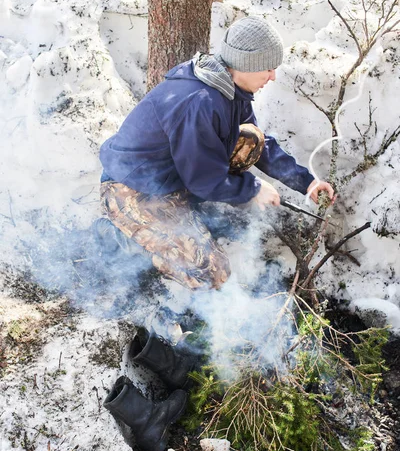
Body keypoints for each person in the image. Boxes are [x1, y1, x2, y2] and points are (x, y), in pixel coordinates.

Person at [98, 16, 334, 291]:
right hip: (133, 190)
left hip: (173, 176)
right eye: (268, 68)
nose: (273, 76)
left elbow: (263, 145)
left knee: (251, 139)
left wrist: (307, 182)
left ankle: (181, 214)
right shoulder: (200, 102)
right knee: (212, 272)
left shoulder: (227, 87)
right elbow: (202, 179)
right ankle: (130, 239)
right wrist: (253, 189)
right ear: (246, 64)